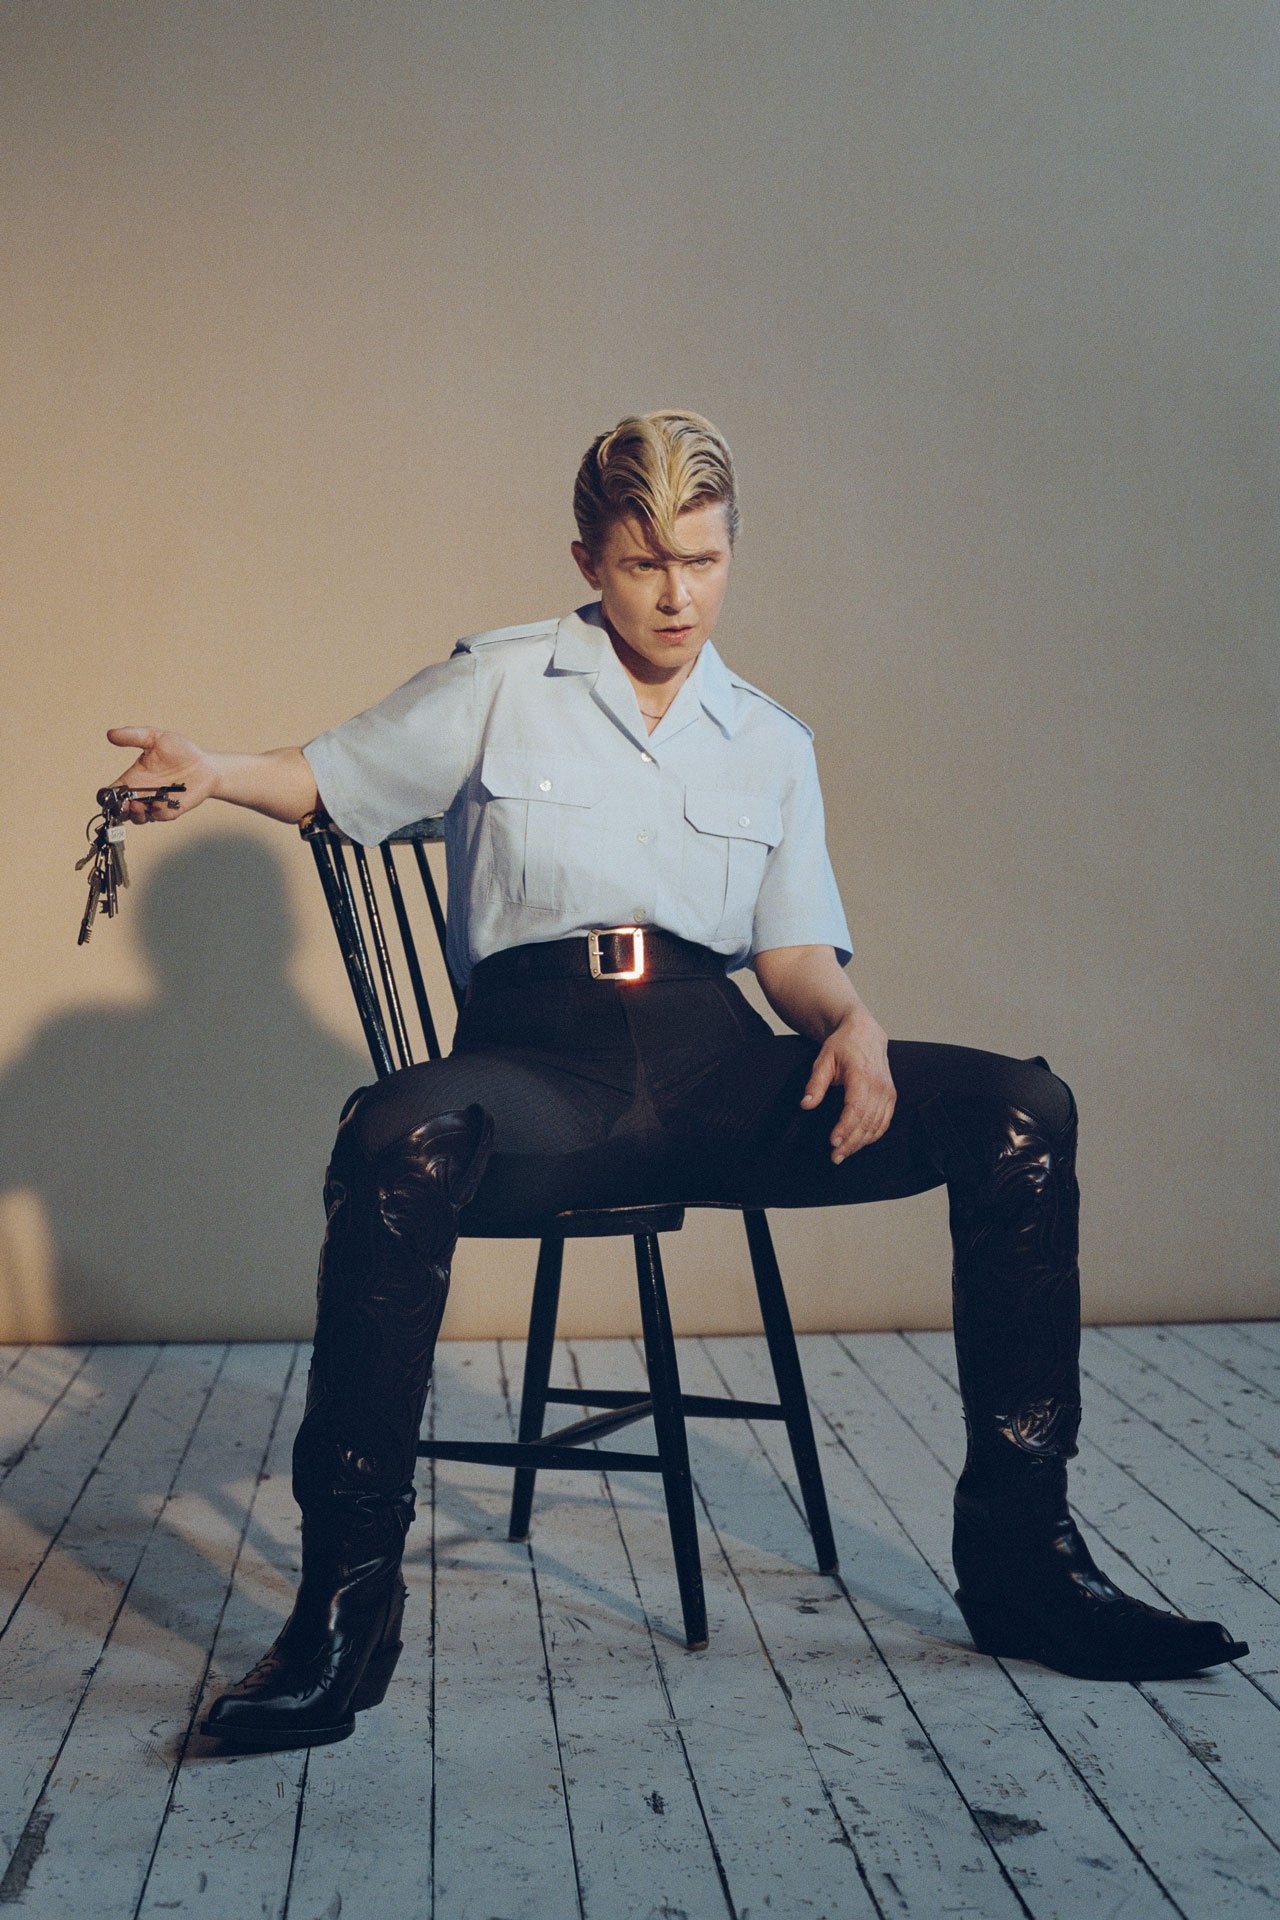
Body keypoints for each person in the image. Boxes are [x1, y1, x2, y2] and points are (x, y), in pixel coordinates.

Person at [106, 409, 1246, 1752]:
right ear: (589, 556)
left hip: (714, 1068)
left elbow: (796, 954)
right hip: (544, 1070)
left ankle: (1026, 1566)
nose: (678, 595)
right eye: (647, 564)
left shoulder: (766, 737)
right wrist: (215, 772)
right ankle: (341, 1619)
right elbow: (334, 779)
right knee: (396, 1127)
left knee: (1021, 1110)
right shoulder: (501, 680)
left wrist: (856, 1022)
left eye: (704, 562)